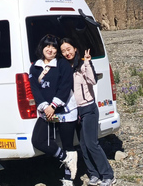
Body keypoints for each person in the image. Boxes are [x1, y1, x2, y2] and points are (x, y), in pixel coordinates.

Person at [60, 38, 117, 186]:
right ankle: (93, 174)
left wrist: (87, 62)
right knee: (83, 145)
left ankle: (108, 175)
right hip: (75, 110)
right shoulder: (66, 68)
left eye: (69, 49)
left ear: (75, 49)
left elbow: (93, 81)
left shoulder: (83, 65)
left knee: (92, 143)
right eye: (64, 51)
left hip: (89, 108)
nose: (67, 53)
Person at [29, 34, 78, 186]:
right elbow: (34, 89)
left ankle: (68, 180)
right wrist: (45, 106)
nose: (50, 49)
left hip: (65, 111)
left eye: (53, 47)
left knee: (67, 143)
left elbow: (65, 86)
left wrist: (53, 106)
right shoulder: (35, 66)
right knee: (38, 140)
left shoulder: (62, 65)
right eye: (47, 46)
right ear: (42, 47)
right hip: (47, 111)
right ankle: (64, 157)